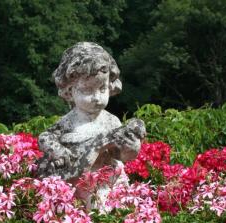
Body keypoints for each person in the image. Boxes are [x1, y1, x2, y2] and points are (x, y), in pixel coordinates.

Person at [37, 42, 145, 182]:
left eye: (102, 89)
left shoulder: (112, 121)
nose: (97, 97)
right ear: (69, 91)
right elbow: (45, 137)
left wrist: (132, 148)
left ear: (111, 86)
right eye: (87, 90)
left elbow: (119, 155)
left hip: (108, 182)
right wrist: (60, 152)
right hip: (77, 185)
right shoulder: (70, 121)